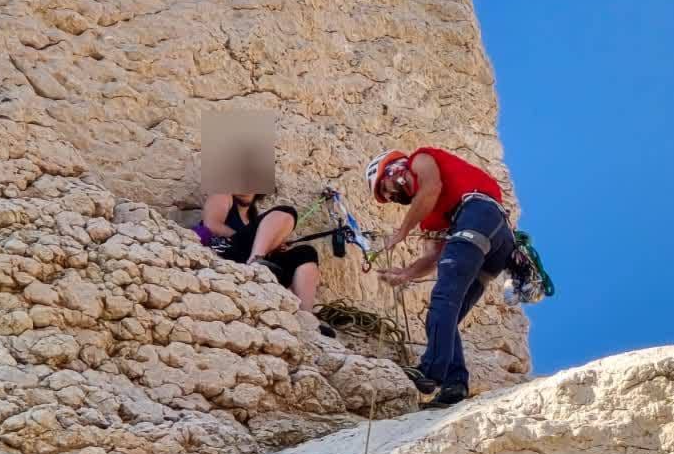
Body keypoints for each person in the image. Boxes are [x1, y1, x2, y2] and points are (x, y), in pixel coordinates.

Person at [366, 146, 516, 405]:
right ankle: (454, 385)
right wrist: (406, 273)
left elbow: (431, 188)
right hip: (496, 242)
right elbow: (433, 256)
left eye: (384, 188)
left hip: (477, 215)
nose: (390, 196)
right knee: (444, 316)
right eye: (385, 197)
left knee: (443, 301)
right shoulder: (431, 218)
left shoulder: (421, 159)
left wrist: (402, 232)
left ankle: (430, 371)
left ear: (394, 169)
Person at [194, 192, 334, 328]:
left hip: (246, 259)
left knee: (306, 253)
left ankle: (306, 316)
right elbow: (211, 225)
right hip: (226, 253)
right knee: (287, 212)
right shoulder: (223, 196)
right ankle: (256, 263)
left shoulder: (252, 215)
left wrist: (273, 246)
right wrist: (254, 238)